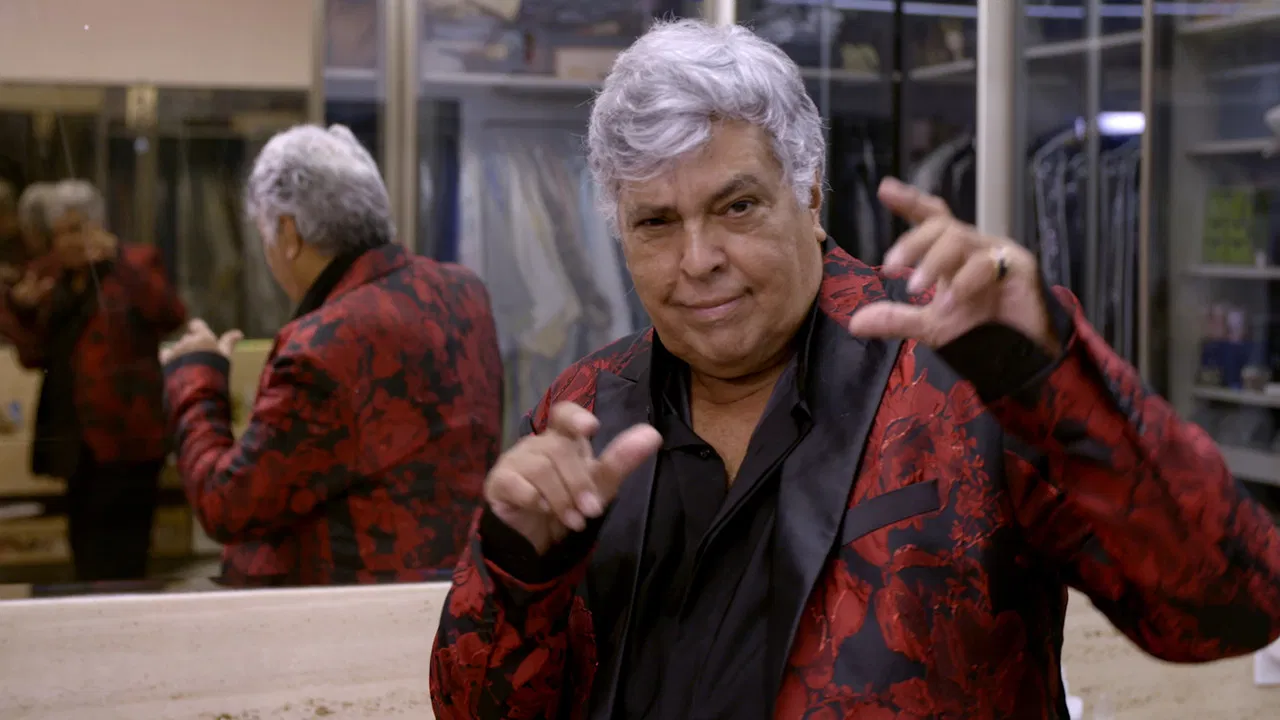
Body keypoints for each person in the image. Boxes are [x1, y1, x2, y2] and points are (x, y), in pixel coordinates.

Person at [429, 19, 1280, 720]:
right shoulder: (585, 410)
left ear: (809, 193)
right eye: (656, 223)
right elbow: (474, 710)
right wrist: (518, 570)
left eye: (737, 207)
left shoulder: (965, 377)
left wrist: (1051, 378)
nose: (698, 260)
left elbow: (1229, 606)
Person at [161, 124, 504, 587]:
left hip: (346, 605)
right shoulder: (463, 293)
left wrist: (196, 374)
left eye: (265, 236)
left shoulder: (322, 346)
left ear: (288, 233)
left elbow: (227, 505)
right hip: (454, 590)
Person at [0, 179, 187, 582]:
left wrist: (119, 259)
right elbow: (34, 355)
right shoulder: (52, 278)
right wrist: (20, 308)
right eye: (60, 233)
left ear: (97, 227)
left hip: (129, 437)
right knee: (84, 556)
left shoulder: (135, 263)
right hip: (74, 440)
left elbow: (170, 314)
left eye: (76, 229)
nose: (68, 242)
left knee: (125, 560)